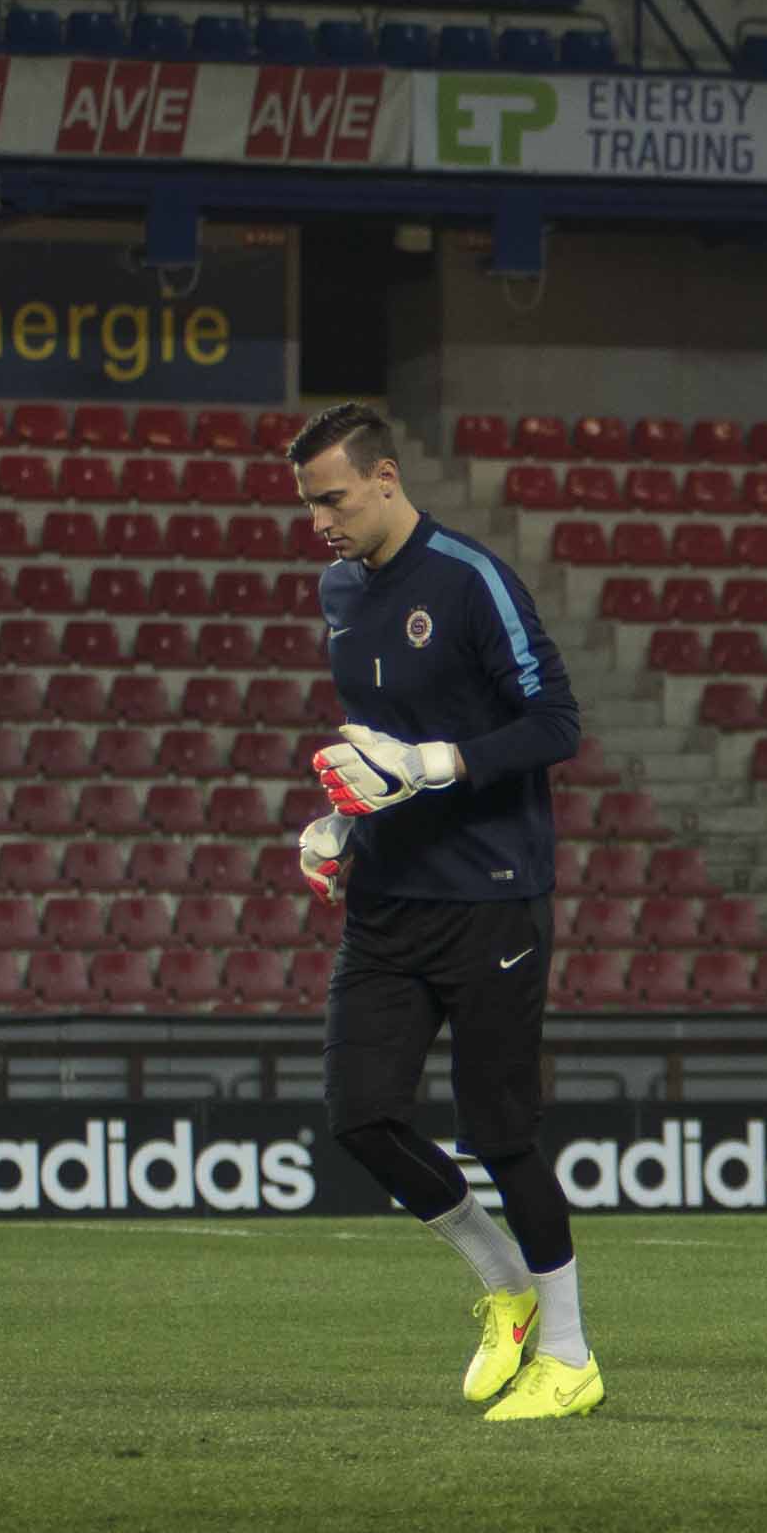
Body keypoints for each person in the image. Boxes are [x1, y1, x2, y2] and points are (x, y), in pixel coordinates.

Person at [287, 401, 600, 1423]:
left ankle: (571, 1357)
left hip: (491, 899)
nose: (320, 522)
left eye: (334, 499)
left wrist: (440, 763)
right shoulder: (340, 588)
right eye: (309, 504)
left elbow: (557, 722)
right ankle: (505, 1283)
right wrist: (340, 823)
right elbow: (375, 744)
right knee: (359, 1116)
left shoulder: (471, 580)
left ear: (386, 479)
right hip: (388, 899)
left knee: (502, 1134)